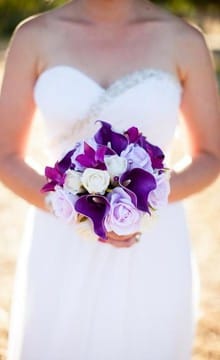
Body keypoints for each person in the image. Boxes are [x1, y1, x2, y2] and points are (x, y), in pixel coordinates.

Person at [0, 0, 219, 359]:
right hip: (59, 238)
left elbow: (210, 156)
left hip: (152, 242)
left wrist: (140, 203)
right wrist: (71, 207)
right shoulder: (34, 37)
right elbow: (5, 155)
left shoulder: (183, 41)